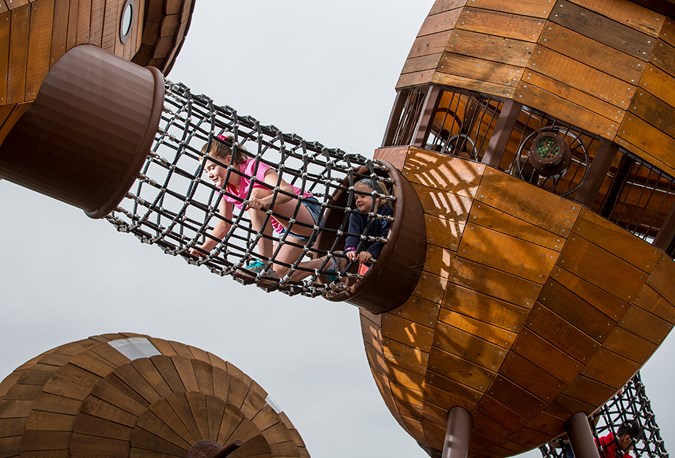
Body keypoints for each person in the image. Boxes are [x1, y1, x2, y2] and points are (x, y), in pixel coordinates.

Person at [189, 134, 322, 281]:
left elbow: (286, 191)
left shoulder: (252, 167)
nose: (209, 175)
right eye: (205, 171)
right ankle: (330, 264)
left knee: (255, 194)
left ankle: (264, 261)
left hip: (307, 214)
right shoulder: (224, 188)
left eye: (212, 168)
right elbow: (224, 223)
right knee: (275, 278)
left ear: (228, 160)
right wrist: (205, 248)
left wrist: (264, 202)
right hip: (287, 232)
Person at [344, 178, 393, 266]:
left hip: (383, 254)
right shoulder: (356, 215)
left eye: (362, 196)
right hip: (366, 256)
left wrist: (371, 252)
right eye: (356, 197)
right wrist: (350, 249)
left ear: (377, 197)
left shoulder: (386, 213)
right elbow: (353, 234)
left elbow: (385, 235)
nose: (358, 200)